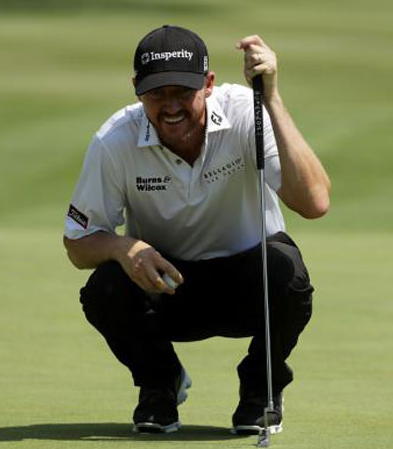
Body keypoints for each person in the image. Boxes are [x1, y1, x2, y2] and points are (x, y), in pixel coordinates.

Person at [63, 25, 330, 435]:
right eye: (156, 94)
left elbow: (314, 203)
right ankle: (160, 383)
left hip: (250, 285)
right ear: (136, 89)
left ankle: (261, 387)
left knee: (287, 269)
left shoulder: (248, 113)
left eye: (182, 93)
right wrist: (122, 246)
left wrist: (271, 98)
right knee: (105, 289)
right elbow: (78, 244)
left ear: (208, 84)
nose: (170, 107)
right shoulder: (115, 140)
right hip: (168, 287)